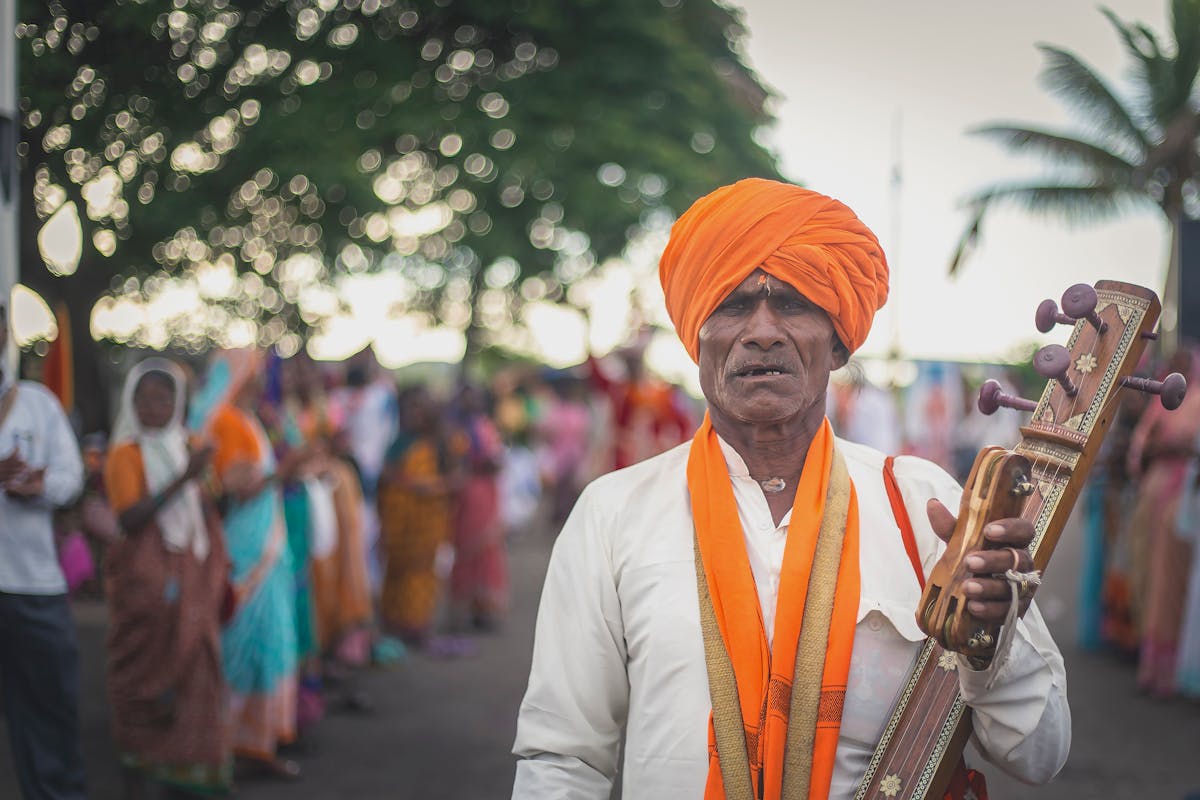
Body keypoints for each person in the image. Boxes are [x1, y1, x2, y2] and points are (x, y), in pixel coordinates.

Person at [512, 179, 1070, 799]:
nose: (763, 331)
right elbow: (563, 759)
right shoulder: (614, 512)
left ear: (836, 342)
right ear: (697, 334)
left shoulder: (921, 504)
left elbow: (1039, 753)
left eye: (795, 303)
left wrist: (992, 634)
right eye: (732, 304)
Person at [103, 358, 232, 797]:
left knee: (196, 668)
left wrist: (217, 481)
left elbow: (210, 506)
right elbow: (132, 517)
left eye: (164, 398)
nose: (154, 407)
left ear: (178, 403)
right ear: (131, 401)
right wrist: (185, 477)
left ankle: (185, 770)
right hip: (147, 577)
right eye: (145, 398)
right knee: (143, 675)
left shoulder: (187, 443)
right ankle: (137, 771)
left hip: (191, 571)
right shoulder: (126, 453)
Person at [192, 349, 304, 780]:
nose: (262, 380)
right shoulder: (225, 422)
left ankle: (257, 743)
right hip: (244, 549)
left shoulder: (249, 420)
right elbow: (238, 489)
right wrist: (286, 470)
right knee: (236, 644)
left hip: (267, 548)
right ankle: (219, 750)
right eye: (254, 372)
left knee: (269, 643)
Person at [0, 298, 88, 800]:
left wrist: (40, 485)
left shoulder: (37, 403)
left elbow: (71, 476)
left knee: (50, 718)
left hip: (34, 586)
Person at [1124, 345, 1200, 696]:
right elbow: (1143, 446)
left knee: (1177, 583)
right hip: (1154, 498)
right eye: (1176, 363)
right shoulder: (1162, 399)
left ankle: (1173, 670)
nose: (1179, 368)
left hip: (1184, 499)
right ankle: (1152, 664)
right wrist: (1159, 447)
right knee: (1151, 576)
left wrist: (1177, 448)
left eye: (1187, 363)